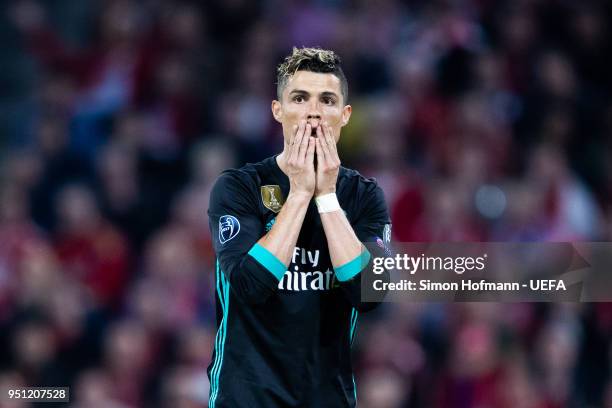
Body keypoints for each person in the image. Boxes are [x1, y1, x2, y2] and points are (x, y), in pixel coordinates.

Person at [207, 46, 391, 407]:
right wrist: (300, 192)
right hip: (247, 399)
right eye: (299, 98)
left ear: (345, 115)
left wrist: (325, 197)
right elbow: (249, 286)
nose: (313, 113)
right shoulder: (238, 188)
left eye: (327, 100)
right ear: (278, 111)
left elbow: (370, 294)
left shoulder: (364, 197)